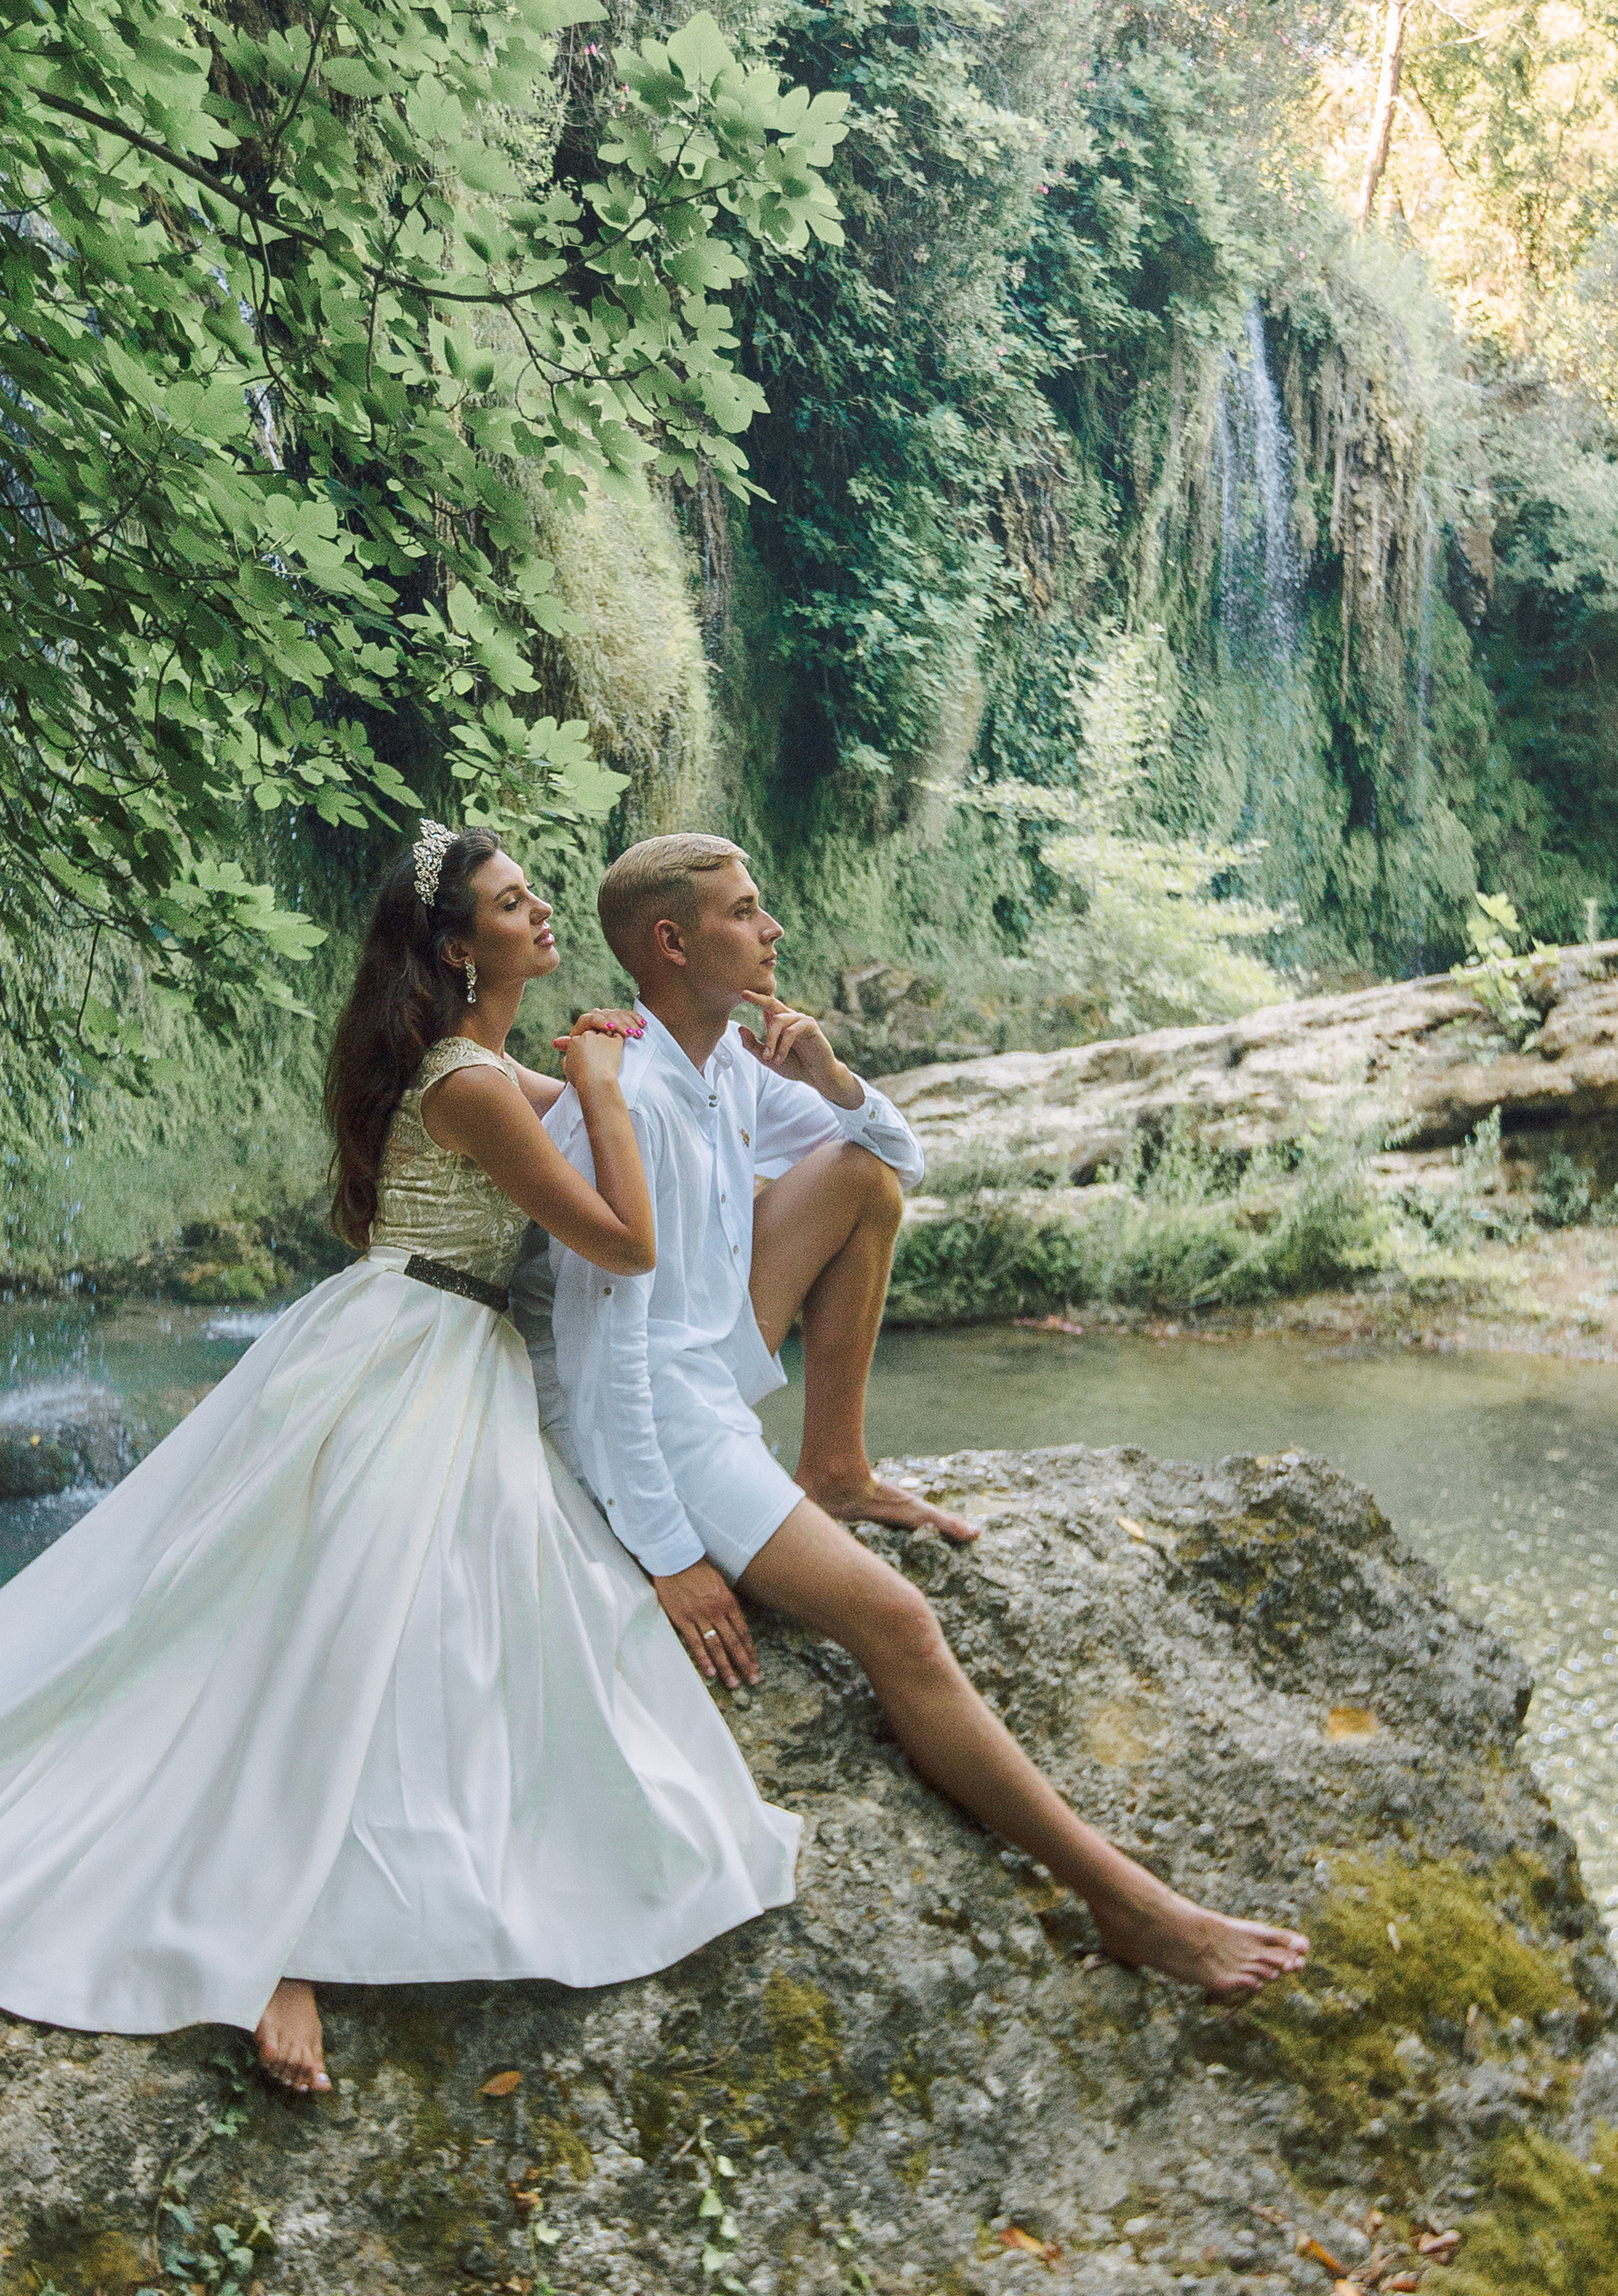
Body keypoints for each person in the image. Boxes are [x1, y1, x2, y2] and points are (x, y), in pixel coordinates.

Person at [0, 822, 799, 2094]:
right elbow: (623, 1240)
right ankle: (270, 1943)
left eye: (536, 893)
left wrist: (738, 1075)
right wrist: (603, 1085)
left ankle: (309, 1910)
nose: (544, 911)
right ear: (456, 947)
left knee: (449, 1613)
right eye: (512, 901)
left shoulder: (490, 1069)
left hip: (444, 1348)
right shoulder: (474, 1083)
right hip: (412, 1349)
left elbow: (656, 1135)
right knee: (335, 1619)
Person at [519, 833, 1309, 1998]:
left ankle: (834, 1465)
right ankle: (1133, 1905)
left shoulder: (731, 1062)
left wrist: (832, 1081)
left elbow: (898, 1155)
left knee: (860, 1176)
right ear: (672, 943)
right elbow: (599, 1359)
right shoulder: (619, 1095)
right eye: (746, 913)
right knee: (898, 1625)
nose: (774, 929)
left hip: (705, 1359)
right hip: (661, 1410)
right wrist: (669, 1552)